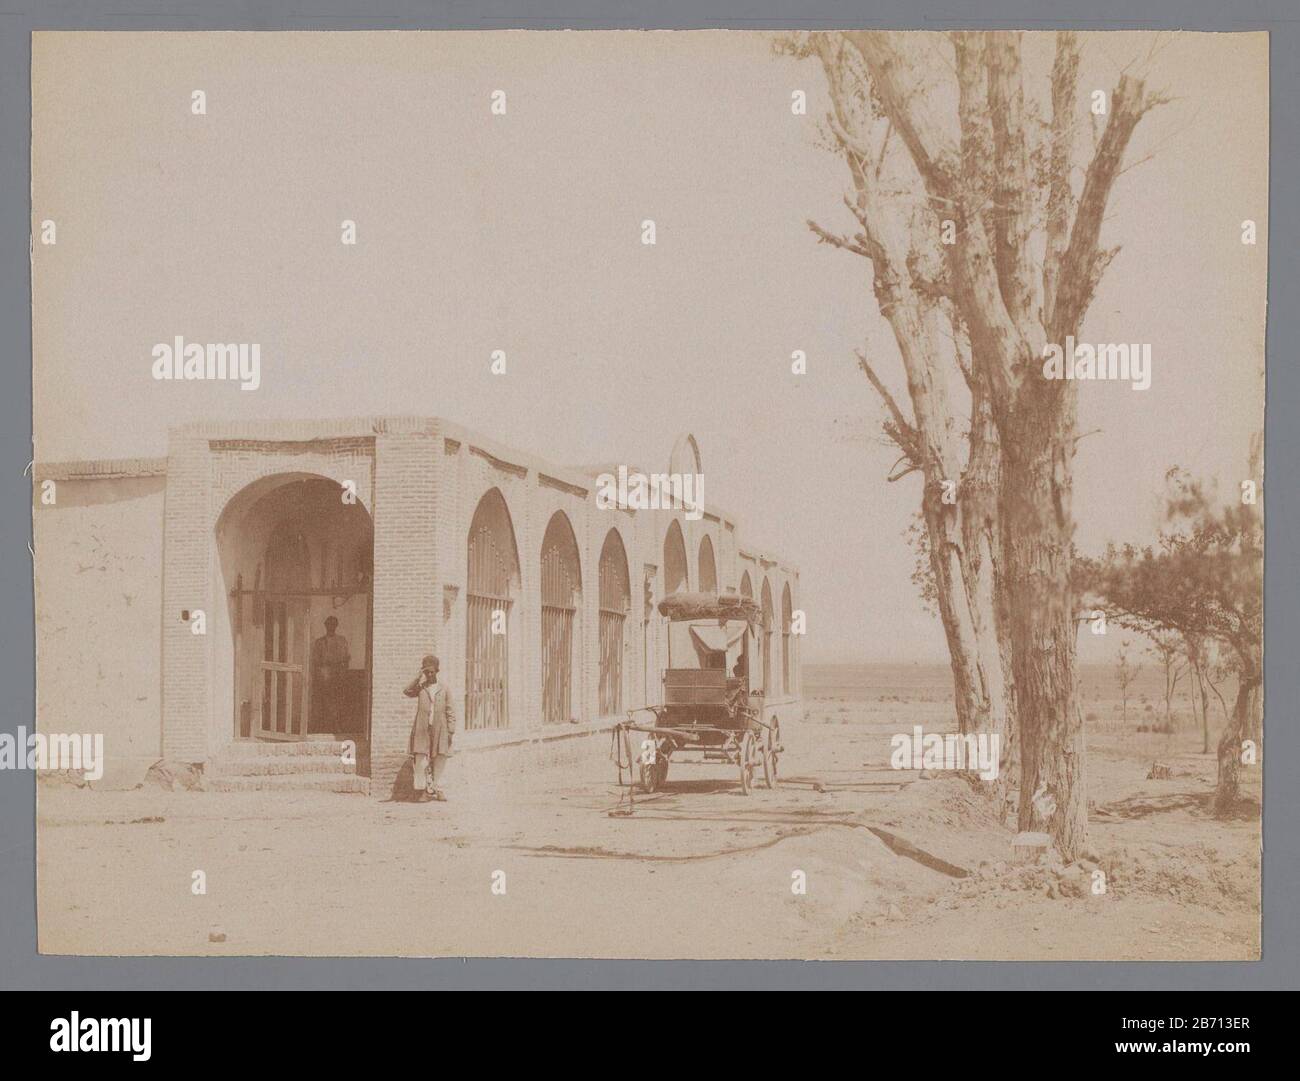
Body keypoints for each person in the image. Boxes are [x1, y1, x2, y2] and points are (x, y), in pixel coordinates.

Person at [404, 654, 456, 802]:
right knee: (420, 760)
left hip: (440, 729)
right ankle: (422, 791)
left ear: (437, 671)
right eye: (427, 672)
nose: (429, 674)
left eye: (432, 671)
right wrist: (417, 677)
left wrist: (451, 731)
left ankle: (438, 788)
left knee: (440, 758)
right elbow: (407, 691)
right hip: (422, 729)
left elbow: (450, 710)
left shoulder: (444, 689)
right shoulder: (420, 688)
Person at [310, 615, 351, 733]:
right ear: (325, 626)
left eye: (333, 624)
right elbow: (317, 661)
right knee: (324, 703)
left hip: (339, 677)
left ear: (336, 626)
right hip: (324, 678)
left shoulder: (342, 641)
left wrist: (342, 672)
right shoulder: (320, 642)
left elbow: (346, 658)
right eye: (329, 624)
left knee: (339, 703)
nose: (331, 627)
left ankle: (337, 727)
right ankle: (323, 728)